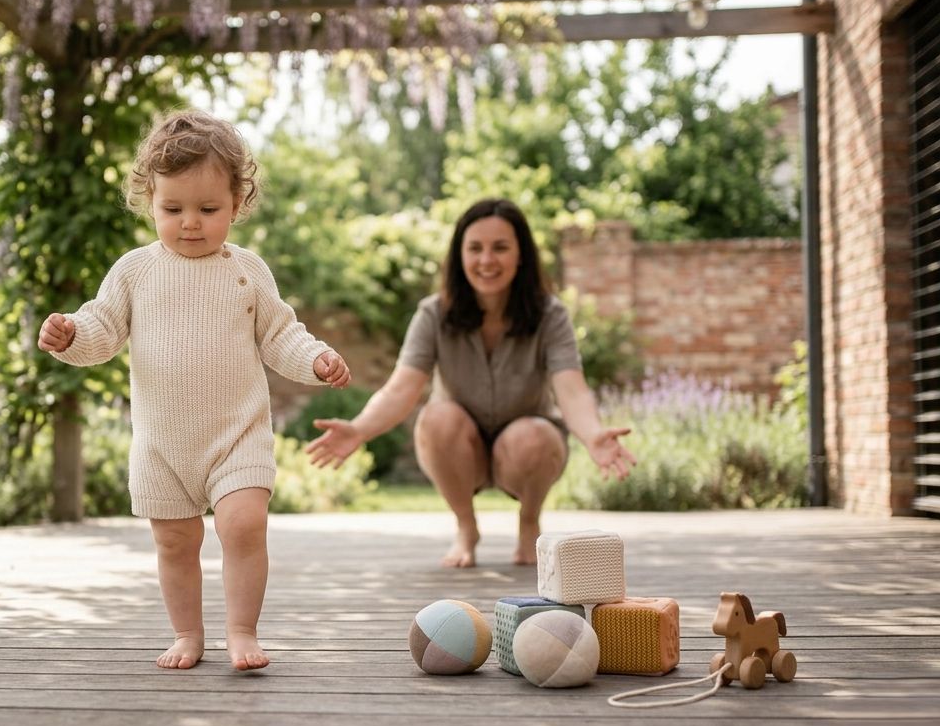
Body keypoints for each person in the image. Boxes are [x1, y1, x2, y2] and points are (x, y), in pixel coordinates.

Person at [38, 109, 351, 671]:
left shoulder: (247, 272)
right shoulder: (135, 271)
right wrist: (71, 335)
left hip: (238, 433)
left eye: (208, 209)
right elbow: (102, 328)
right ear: (149, 201)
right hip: (162, 444)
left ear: (236, 203)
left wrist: (318, 359)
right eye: (172, 209)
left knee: (243, 524)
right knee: (176, 544)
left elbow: (281, 334)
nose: (190, 222)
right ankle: (187, 633)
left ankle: (241, 630)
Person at [306, 198, 634, 568]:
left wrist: (593, 435)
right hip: (462, 449)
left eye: (500, 248)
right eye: (475, 248)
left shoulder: (549, 314)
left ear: (521, 254)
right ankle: (466, 527)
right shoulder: (434, 314)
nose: (486, 260)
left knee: (534, 435)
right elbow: (402, 388)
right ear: (459, 256)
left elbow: (571, 388)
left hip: (526, 450)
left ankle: (529, 523)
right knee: (436, 418)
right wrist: (359, 429)